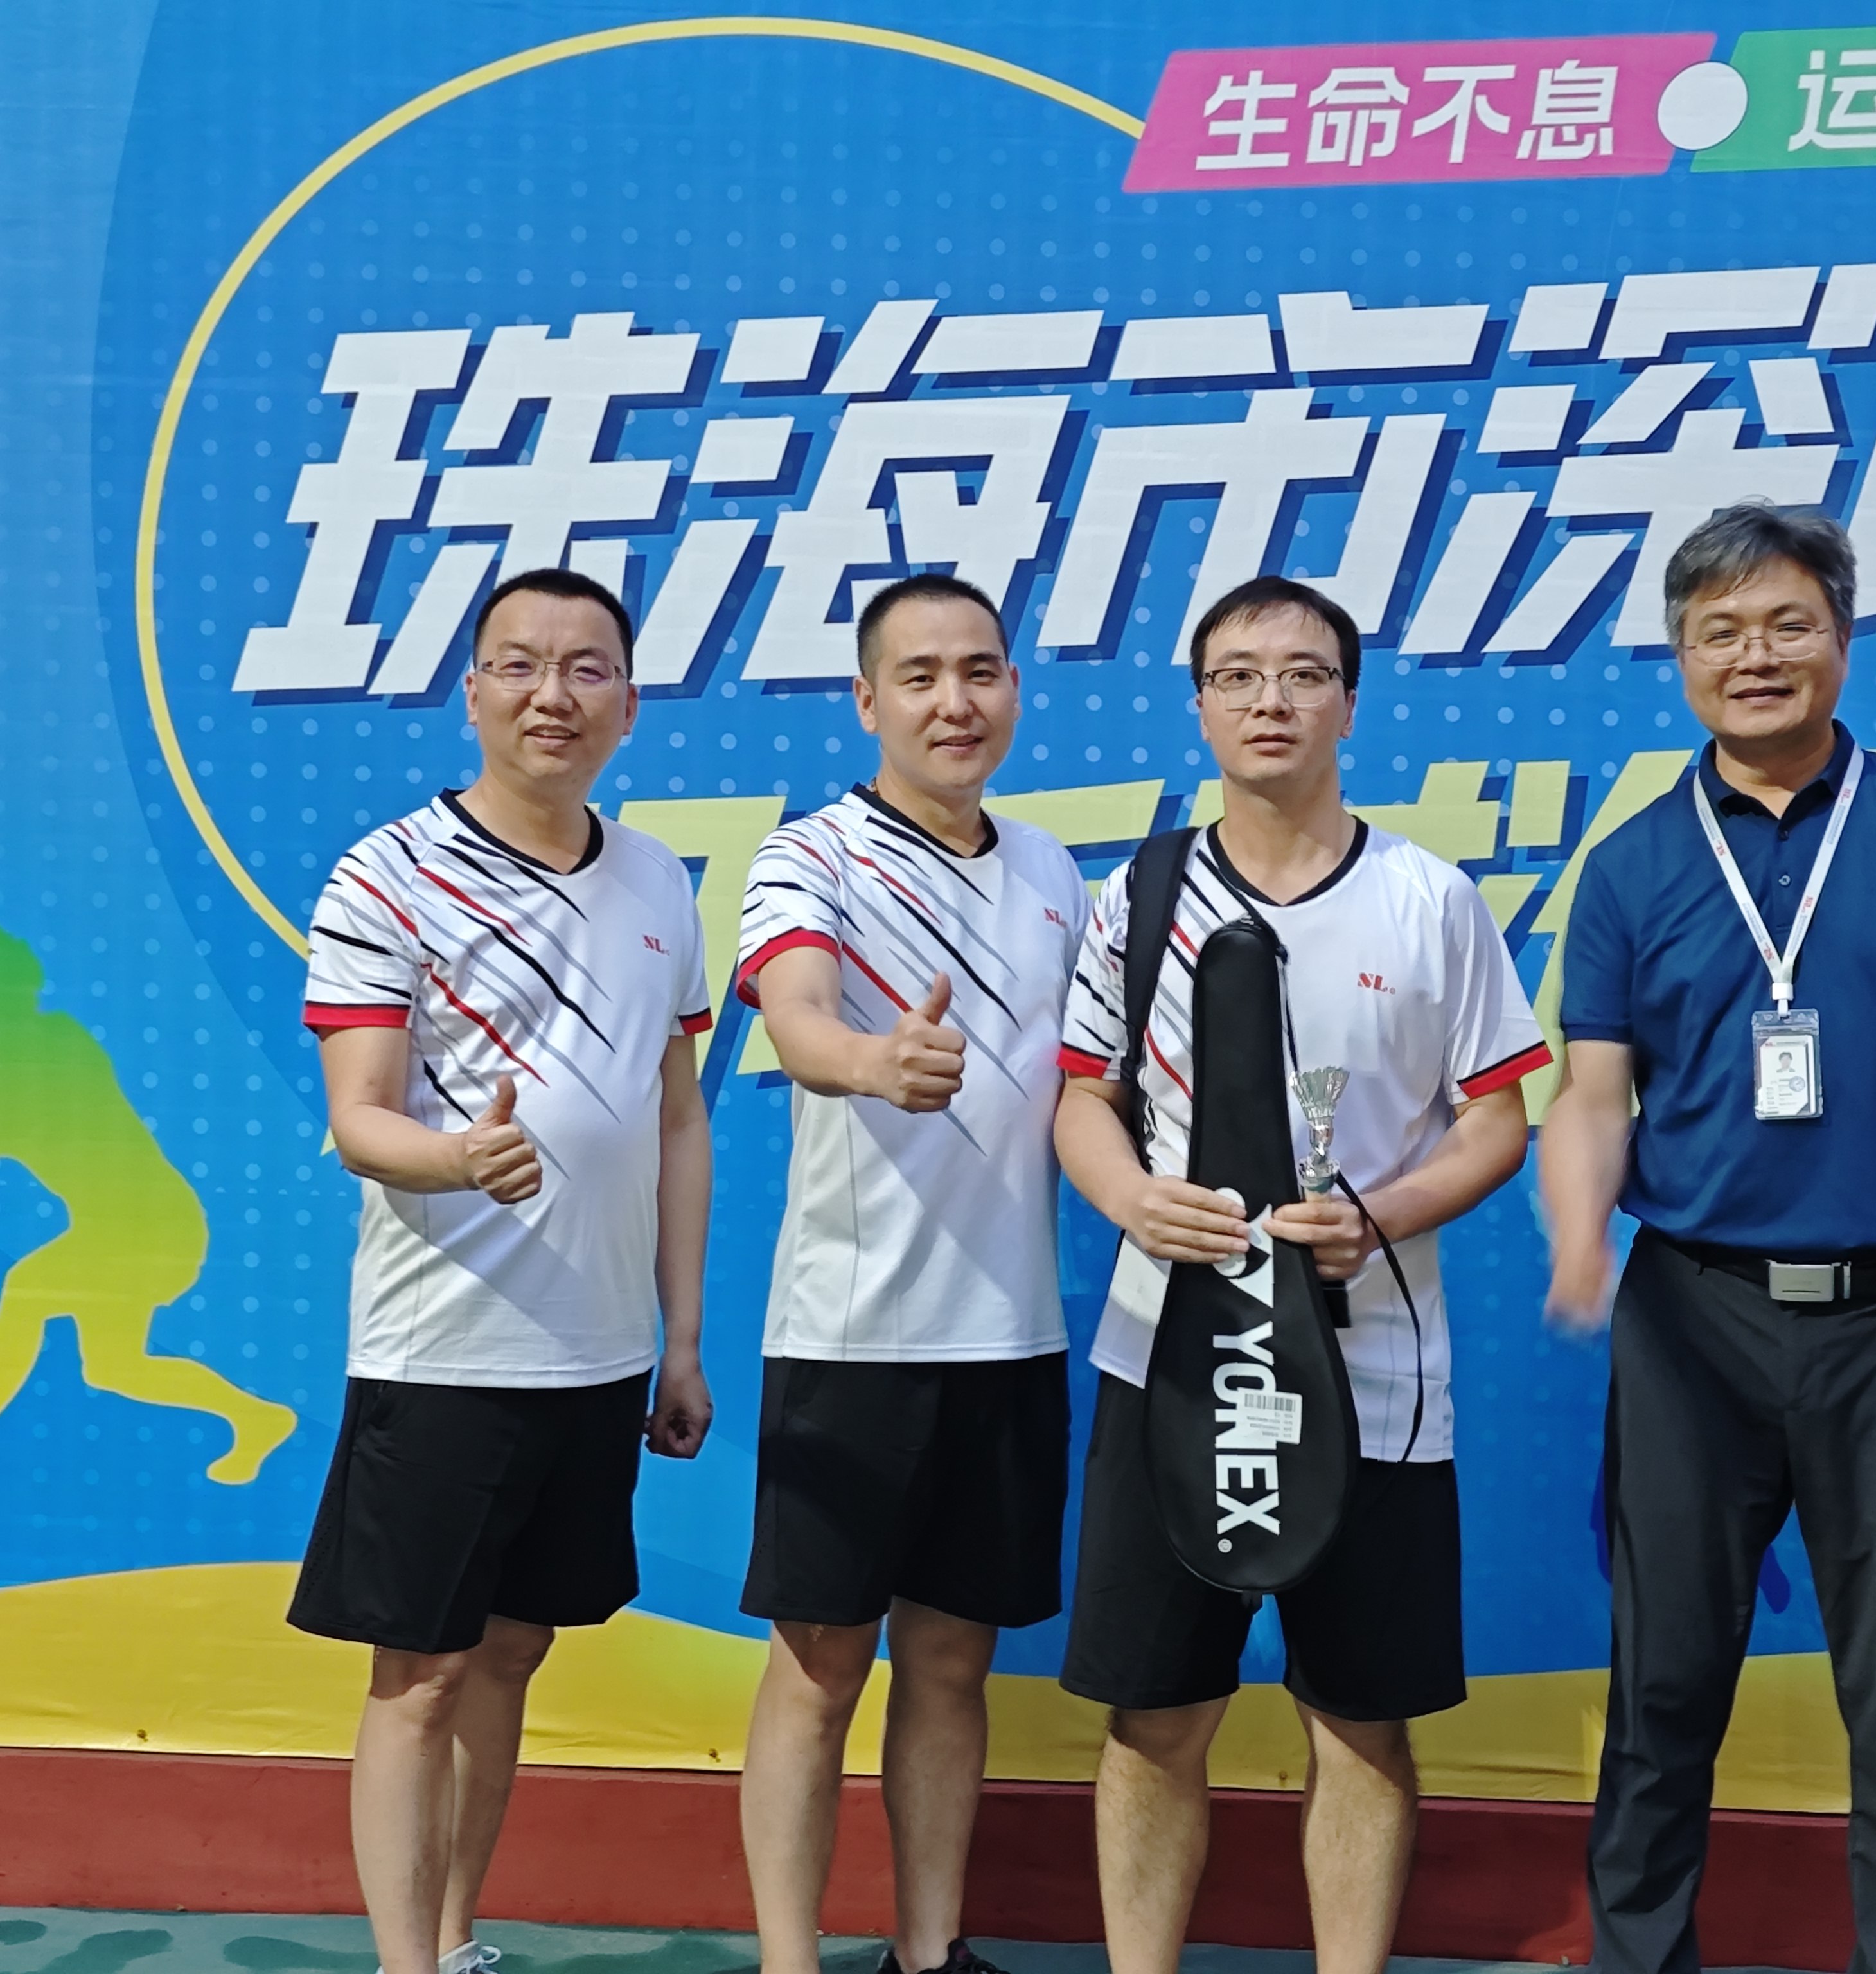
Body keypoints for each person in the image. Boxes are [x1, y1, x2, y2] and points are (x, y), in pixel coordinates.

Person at [1539, 503, 1876, 1974]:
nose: (1753, 655)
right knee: (1660, 1689)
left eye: (1786, 623)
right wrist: (1579, 1235)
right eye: (1719, 631)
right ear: (1679, 656)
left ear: (1841, 638)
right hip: (1690, 1319)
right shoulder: (1630, 863)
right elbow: (1591, 1091)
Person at [1054, 574, 1548, 1974]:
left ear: (1348, 702)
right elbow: (1081, 1098)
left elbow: (1497, 1120)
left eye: (1302, 674)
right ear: (1200, 705)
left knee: (1360, 1719)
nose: (1269, 700)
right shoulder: (1139, 894)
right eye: (1237, 676)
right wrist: (1130, 1199)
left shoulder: (1428, 899)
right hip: (1171, 1370)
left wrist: (1378, 1217)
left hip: (1374, 1379)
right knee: (1155, 1715)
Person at [290, 565, 716, 1974]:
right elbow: (360, 1119)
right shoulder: (386, 875)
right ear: (472, 690)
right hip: (443, 1352)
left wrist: (681, 1338)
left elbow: (676, 1118)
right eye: (520, 665)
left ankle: (458, 1938)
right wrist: (456, 1159)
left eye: (587, 668)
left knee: (516, 1651)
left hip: (597, 1356)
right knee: (419, 1675)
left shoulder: (658, 879)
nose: (553, 695)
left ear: (628, 704)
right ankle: (404, 1963)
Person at [732, 572, 1084, 1974]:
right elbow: (799, 1019)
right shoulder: (808, 856)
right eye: (921, 676)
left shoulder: (1053, 870)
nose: (955, 702)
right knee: (822, 1665)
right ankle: (787, 1957)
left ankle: (929, 1953)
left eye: (980, 671)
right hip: (851, 1338)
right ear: (867, 700)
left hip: (1010, 1332)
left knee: (951, 1661)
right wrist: (877, 1061)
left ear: (1013, 692)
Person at [0, 920, 296, 1522]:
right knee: (116, 1370)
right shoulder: (24, 1060)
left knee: (26, 1293)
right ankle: (257, 1417)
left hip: (152, 1228)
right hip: (123, 1231)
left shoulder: (44, 1054)